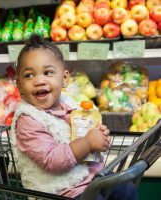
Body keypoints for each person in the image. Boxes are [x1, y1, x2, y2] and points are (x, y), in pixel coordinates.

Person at [9, 34, 138, 200]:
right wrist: (87, 143)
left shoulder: (69, 104)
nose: (39, 81)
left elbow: (84, 132)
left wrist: (99, 136)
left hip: (90, 180)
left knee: (126, 190)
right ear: (19, 85)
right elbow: (51, 160)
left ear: (64, 79)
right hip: (62, 192)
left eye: (48, 73)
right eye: (29, 75)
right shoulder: (28, 120)